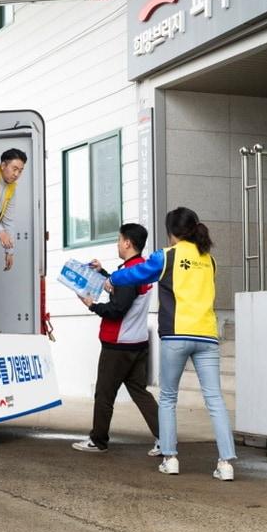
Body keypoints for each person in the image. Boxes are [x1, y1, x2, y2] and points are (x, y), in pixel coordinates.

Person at [105, 206, 236, 481]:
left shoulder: (167, 256)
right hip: (206, 335)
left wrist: (112, 278)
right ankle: (226, 464)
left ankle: (170, 458)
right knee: (215, 399)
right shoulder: (209, 260)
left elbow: (137, 274)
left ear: (171, 232)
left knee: (167, 398)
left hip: (177, 334)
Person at [71, 223, 161, 456]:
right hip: (138, 343)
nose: (118, 244)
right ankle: (165, 438)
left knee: (104, 394)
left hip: (118, 345)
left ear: (128, 243)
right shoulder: (142, 269)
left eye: (119, 239)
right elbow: (121, 287)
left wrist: (93, 305)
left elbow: (118, 307)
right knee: (140, 392)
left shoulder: (130, 274)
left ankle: (98, 440)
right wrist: (102, 273)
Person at [0, 148, 27, 272]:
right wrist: (0, 232)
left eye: (20, 171)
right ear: (3, 165)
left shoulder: (11, 189)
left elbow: (8, 221)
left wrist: (10, 251)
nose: (17, 174)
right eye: (14, 169)